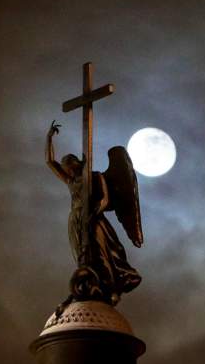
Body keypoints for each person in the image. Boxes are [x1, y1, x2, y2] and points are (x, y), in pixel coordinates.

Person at [45, 121, 141, 304]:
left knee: (100, 252)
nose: (67, 169)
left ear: (76, 163)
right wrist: (49, 138)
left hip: (94, 218)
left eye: (69, 164)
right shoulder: (71, 181)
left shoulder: (95, 177)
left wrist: (93, 214)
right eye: (65, 166)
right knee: (82, 255)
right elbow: (50, 162)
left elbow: (105, 199)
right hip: (76, 220)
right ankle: (88, 283)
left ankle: (108, 287)